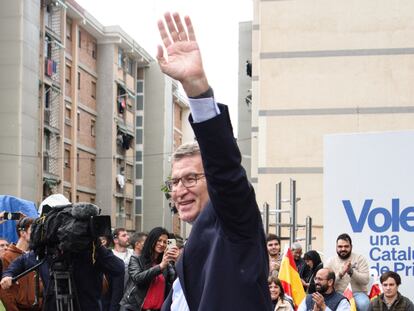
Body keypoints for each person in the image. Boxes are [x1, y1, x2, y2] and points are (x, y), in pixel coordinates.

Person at [156, 12, 271, 310]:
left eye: (191, 178)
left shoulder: (234, 221)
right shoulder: (196, 239)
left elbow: (226, 169)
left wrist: (196, 88)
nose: (180, 190)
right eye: (175, 182)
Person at [120, 227, 178, 311]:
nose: (162, 244)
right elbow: (138, 278)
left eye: (165, 242)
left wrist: (177, 261)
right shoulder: (136, 259)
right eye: (159, 240)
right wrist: (160, 267)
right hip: (135, 308)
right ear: (151, 240)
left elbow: (175, 281)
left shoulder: (166, 263)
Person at [0, 217, 42, 311]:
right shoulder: (6, 257)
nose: (37, 233)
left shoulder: (38, 255)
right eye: (33, 229)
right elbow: (5, 292)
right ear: (23, 233)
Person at [325, 233, 370, 311]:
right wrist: (340, 274)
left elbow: (365, 280)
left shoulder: (360, 259)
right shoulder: (330, 261)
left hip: (357, 293)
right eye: (340, 246)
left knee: (364, 304)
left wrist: (351, 272)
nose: (343, 249)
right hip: (337, 293)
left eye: (346, 246)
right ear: (336, 247)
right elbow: (325, 283)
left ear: (351, 247)